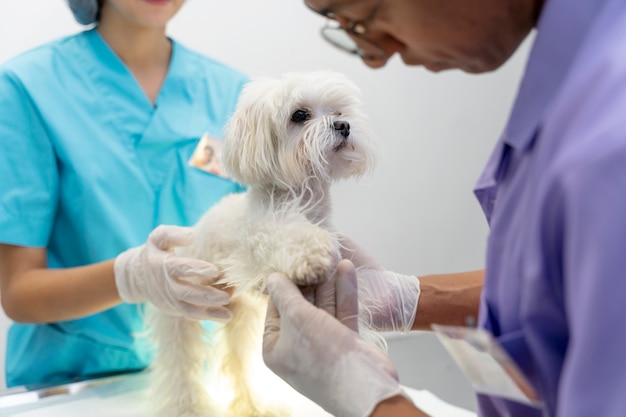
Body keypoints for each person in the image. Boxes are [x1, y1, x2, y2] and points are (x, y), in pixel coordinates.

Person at [263, 0, 626, 416]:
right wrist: (409, 299)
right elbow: (564, 285)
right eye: (344, 27)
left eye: (366, 13)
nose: (377, 54)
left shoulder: (609, 143)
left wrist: (366, 399)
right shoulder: (573, 82)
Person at [0, 0, 249, 387]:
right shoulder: (27, 87)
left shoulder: (235, 94)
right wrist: (130, 278)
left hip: (205, 378)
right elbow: (19, 293)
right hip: (77, 380)